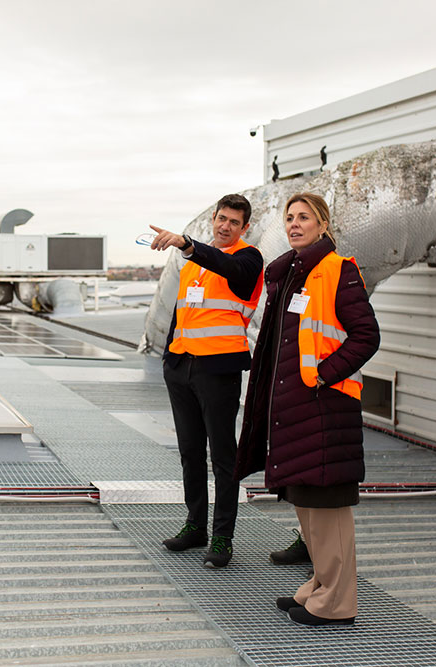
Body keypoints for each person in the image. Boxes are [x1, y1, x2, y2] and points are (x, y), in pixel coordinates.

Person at [233, 192, 380, 625]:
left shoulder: (338, 270)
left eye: (304, 218)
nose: (295, 224)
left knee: (329, 511)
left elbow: (366, 336)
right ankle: (319, 588)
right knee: (308, 508)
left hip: (323, 409)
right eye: (290, 217)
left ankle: (337, 603)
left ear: (322, 224)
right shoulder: (292, 275)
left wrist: (323, 374)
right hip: (296, 410)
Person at [149, 193, 264, 569]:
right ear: (213, 218)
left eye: (234, 222)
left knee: (223, 457)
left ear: (245, 227)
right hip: (182, 368)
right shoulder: (193, 266)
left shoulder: (248, 259)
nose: (225, 226)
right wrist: (170, 359)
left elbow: (226, 268)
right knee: (189, 452)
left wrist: (186, 243)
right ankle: (195, 525)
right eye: (221, 219)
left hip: (218, 372)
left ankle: (222, 536)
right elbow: (185, 313)